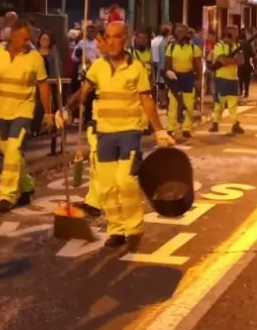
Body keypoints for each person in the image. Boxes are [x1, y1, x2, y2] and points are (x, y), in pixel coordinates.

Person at [58, 21, 174, 249]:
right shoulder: (98, 67)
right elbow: (84, 92)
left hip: (129, 133)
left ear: (126, 38)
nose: (111, 41)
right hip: (105, 134)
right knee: (107, 186)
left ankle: (133, 227)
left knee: (125, 182)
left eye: (116, 36)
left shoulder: (137, 68)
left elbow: (146, 100)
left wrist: (159, 129)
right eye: (108, 36)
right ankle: (117, 229)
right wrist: (66, 109)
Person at [0, 18, 54, 212]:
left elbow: (43, 85)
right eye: (24, 39)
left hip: (23, 111)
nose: (28, 42)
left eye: (29, 39)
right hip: (1, 111)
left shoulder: (34, 57)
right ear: (13, 37)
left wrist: (48, 113)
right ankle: (26, 185)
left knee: (12, 150)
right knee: (9, 151)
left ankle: (6, 195)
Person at [161, 23, 200, 136]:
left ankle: (186, 128)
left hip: (188, 77)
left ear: (187, 33)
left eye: (183, 31)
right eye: (178, 32)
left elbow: (198, 65)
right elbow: (167, 62)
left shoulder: (194, 48)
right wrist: (168, 71)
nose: (180, 34)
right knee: (173, 103)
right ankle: (171, 127)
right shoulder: (171, 47)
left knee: (188, 103)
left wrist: (199, 80)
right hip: (175, 77)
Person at [208, 25, 247, 135]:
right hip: (221, 79)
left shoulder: (237, 45)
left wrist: (230, 60)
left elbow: (241, 61)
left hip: (233, 79)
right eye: (234, 33)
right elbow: (222, 60)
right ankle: (215, 123)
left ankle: (235, 124)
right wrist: (233, 60)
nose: (236, 35)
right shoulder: (219, 45)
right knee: (219, 103)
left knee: (233, 104)